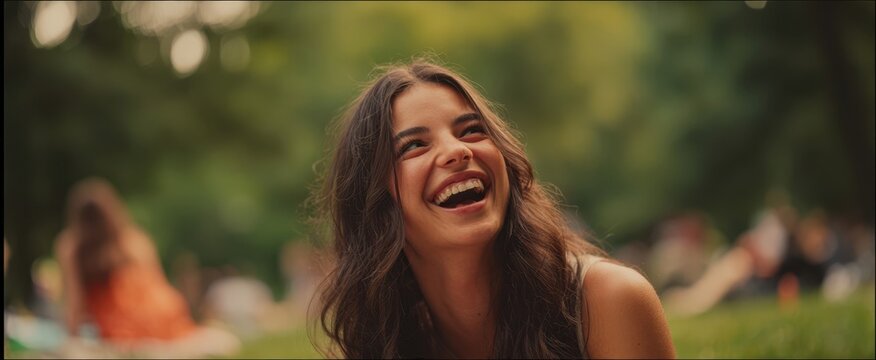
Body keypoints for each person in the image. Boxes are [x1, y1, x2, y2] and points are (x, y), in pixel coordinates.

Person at [313, 59, 675, 358]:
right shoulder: (385, 343)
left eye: (471, 130)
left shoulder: (608, 300)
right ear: (374, 202)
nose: (457, 150)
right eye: (414, 146)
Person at [54, 178, 239, 358]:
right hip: (164, 318)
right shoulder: (133, 241)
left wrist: (71, 341)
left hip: (125, 332)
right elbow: (158, 288)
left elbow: (75, 305)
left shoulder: (72, 248)